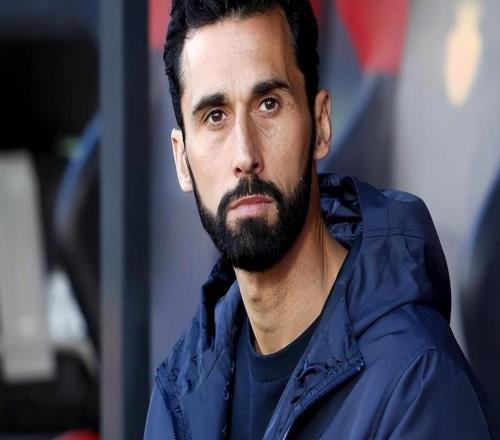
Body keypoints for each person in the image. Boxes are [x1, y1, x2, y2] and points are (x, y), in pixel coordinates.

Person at [145, 1, 493, 438]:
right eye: (215, 116)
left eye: (268, 105)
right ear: (182, 161)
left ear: (321, 124)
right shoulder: (181, 391)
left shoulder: (416, 385)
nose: (244, 154)